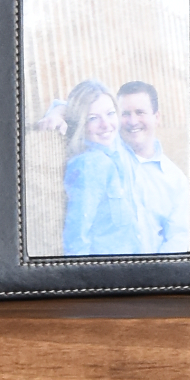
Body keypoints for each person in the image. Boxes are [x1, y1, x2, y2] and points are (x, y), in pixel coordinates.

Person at [56, 80, 148, 256]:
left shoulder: (117, 150)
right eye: (92, 118)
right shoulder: (90, 165)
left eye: (110, 114)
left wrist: (57, 108)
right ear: (80, 123)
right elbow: (77, 237)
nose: (106, 125)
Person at [116, 79, 190, 252]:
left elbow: (178, 238)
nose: (132, 121)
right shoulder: (106, 160)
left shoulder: (176, 180)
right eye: (125, 113)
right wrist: (58, 110)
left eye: (140, 112)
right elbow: (82, 110)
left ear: (157, 117)